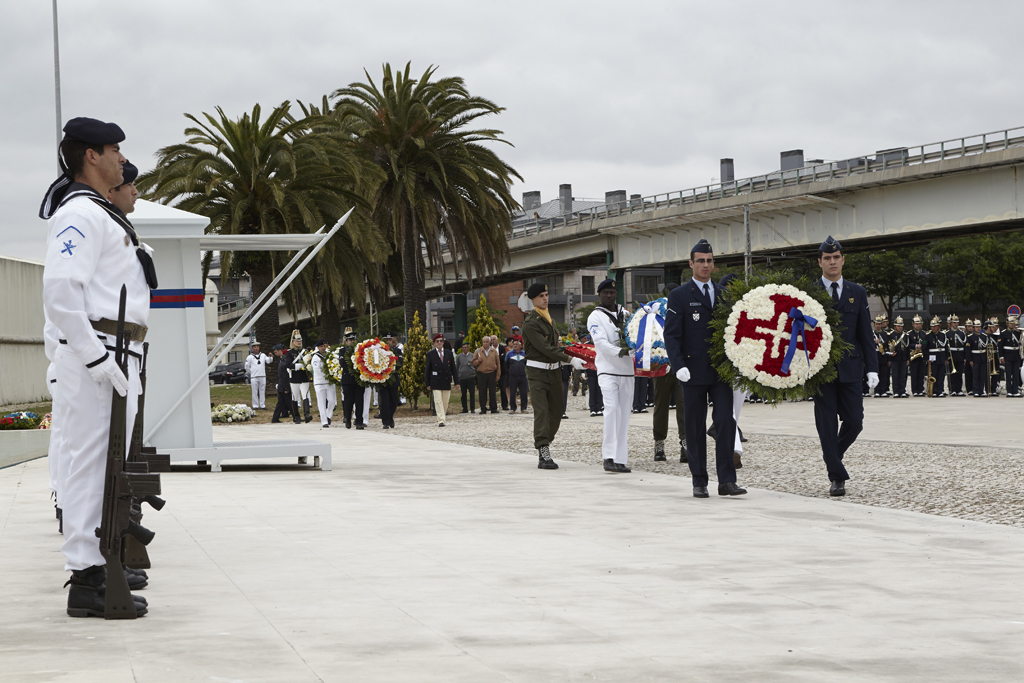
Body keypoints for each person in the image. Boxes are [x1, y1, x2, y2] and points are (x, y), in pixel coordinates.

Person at [40, 117, 154, 617]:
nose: (121, 160)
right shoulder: (81, 214)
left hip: (117, 352)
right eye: (114, 150)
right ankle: (86, 578)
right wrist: (96, 357)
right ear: (91, 156)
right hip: (97, 355)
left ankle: (99, 562)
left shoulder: (103, 214)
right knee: (87, 465)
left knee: (107, 466)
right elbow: (61, 291)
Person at [664, 239, 744, 498]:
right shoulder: (679, 296)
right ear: (691, 264)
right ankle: (699, 480)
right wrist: (678, 366)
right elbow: (672, 335)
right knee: (695, 426)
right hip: (693, 370)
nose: (705, 265)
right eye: (700, 261)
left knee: (724, 421)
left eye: (709, 261)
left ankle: (727, 481)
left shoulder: (724, 295)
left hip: (720, 371)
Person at [812, 236, 878, 496]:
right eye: (827, 258)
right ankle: (836, 476)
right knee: (826, 424)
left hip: (850, 368)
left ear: (843, 260)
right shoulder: (809, 292)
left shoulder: (857, 292)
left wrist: (872, 368)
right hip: (821, 370)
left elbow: (864, 333)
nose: (832, 262)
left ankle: (832, 455)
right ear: (820, 262)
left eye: (836, 257)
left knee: (855, 421)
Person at [522, 282, 586, 469]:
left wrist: (577, 352)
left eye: (546, 294)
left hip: (554, 372)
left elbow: (555, 346)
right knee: (541, 412)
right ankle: (543, 450)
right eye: (541, 296)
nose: (545, 298)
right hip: (537, 373)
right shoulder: (530, 323)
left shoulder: (549, 319)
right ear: (532, 300)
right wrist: (570, 359)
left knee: (558, 411)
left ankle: (546, 442)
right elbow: (545, 348)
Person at [587, 279, 634, 473]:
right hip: (607, 370)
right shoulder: (595, 317)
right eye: (605, 292)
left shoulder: (627, 314)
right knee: (611, 410)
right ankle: (608, 456)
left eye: (612, 293)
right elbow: (600, 343)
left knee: (624, 414)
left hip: (627, 371)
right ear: (599, 294)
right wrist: (620, 352)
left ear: (616, 294)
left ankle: (620, 458)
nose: (609, 296)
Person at [652, 284, 686, 463]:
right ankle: (659, 443)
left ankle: (685, 444)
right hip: (661, 368)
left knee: (684, 406)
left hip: (681, 367)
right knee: (660, 406)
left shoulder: (684, 310)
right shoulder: (655, 315)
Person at [425, 333, 457, 426]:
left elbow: (453, 369)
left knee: (445, 402)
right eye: (437, 341)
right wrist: (427, 383)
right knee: (438, 401)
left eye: (441, 341)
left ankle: (442, 416)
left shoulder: (449, 353)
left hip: (446, 380)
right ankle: (441, 420)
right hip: (435, 381)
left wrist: (456, 382)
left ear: (443, 342)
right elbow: (427, 369)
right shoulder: (430, 354)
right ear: (434, 343)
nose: (439, 343)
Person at [285, 330, 312, 423]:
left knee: (305, 395)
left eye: (300, 340)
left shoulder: (305, 352)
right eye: (297, 341)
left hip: (304, 377)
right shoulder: (289, 353)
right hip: (295, 378)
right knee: (295, 397)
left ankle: (307, 414)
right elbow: (288, 364)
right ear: (293, 342)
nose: (299, 342)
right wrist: (298, 366)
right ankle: (296, 416)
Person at [339, 330, 365, 429]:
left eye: (353, 339)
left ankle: (359, 421)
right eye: (349, 340)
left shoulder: (361, 350)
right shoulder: (343, 351)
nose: (351, 342)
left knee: (359, 401)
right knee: (348, 401)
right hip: (347, 380)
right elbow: (343, 364)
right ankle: (348, 419)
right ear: (346, 341)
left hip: (358, 380)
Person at [378, 333, 402, 429]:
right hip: (383, 379)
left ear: (392, 340)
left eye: (389, 339)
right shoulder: (379, 351)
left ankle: (390, 417)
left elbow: (400, 364)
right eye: (386, 339)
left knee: (394, 401)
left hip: (393, 378)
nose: (388, 341)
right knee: (384, 401)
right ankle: (386, 422)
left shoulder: (397, 350)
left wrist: (391, 367)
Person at [310, 339, 336, 427]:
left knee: (332, 401)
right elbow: (317, 370)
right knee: (321, 402)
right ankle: (324, 421)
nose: (323, 348)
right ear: (318, 347)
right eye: (321, 346)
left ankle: (328, 415)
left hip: (329, 382)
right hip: (319, 382)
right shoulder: (315, 357)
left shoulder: (329, 355)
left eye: (324, 346)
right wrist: (328, 373)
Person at [472, 335, 500, 414]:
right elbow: (473, 362)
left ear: (490, 342)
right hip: (482, 374)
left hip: (492, 373)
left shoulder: (494, 351)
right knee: (482, 392)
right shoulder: (478, 351)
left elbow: (498, 363)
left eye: (487, 342)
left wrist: (498, 374)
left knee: (492, 391)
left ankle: (493, 408)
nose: (485, 343)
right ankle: (483, 408)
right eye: (484, 342)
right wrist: (478, 361)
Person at [244, 341, 272, 409]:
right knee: (254, 391)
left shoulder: (263, 355)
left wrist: (270, 357)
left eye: (257, 347)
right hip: (254, 377)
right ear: (252, 348)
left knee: (262, 391)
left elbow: (268, 361)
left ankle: (262, 405)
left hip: (262, 376)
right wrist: (252, 372)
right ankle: (255, 405)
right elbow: (246, 367)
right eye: (255, 347)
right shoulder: (250, 357)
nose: (256, 348)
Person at [925, 316, 948, 397]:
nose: (933, 328)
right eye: (932, 326)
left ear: (938, 326)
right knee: (933, 375)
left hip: (941, 357)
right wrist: (927, 358)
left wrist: (946, 358)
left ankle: (940, 390)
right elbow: (924, 348)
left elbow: (945, 348)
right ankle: (934, 391)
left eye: (935, 326)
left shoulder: (943, 335)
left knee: (941, 376)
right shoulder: (927, 336)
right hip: (932, 358)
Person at [1000, 315, 1022, 397]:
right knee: (1008, 374)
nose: (1012, 325)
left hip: (1016, 355)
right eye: (1010, 323)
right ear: (1007, 324)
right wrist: (1001, 357)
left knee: (1016, 374)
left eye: (1013, 323)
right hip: (1007, 355)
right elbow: (1000, 346)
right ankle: (1009, 391)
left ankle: (1015, 390)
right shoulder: (1003, 333)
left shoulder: (1017, 333)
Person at [270, 344, 293, 423]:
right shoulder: (283, 361)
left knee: (281, 403)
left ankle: (275, 418)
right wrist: (286, 387)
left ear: (280, 351)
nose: (275, 354)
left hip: (281, 386)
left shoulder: (283, 360)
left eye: (276, 352)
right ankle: (296, 417)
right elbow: (284, 376)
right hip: (283, 386)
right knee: (289, 403)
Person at [946, 314, 967, 396]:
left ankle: (959, 389)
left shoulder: (961, 333)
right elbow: (946, 347)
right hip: (952, 355)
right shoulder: (947, 334)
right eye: (954, 322)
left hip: (960, 354)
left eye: (957, 322)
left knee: (960, 373)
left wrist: (965, 357)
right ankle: (953, 389)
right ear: (950, 323)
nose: (955, 324)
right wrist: (947, 357)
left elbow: (964, 346)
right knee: (952, 373)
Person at [505, 339, 529, 412]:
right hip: (513, 376)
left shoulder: (524, 354)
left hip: (523, 376)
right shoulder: (509, 354)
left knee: (524, 392)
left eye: (516, 344)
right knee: (512, 392)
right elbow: (506, 365)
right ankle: (513, 408)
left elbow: (527, 364)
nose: (515, 345)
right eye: (514, 344)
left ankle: (523, 408)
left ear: (520, 345)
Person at [889, 317, 909, 398]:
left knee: (903, 376)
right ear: (895, 326)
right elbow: (887, 347)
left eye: (901, 326)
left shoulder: (905, 335)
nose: (900, 327)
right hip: (894, 359)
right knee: (895, 375)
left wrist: (908, 359)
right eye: (898, 326)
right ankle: (896, 391)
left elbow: (907, 348)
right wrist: (890, 354)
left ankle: (902, 391)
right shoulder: (891, 335)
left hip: (903, 358)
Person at [908, 315, 927, 396]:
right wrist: (915, 346)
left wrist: (923, 345)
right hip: (914, 357)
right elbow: (908, 345)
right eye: (916, 324)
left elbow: (926, 342)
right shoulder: (909, 334)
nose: (918, 325)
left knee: (921, 374)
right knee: (914, 374)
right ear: (913, 324)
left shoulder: (924, 334)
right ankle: (915, 390)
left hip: (921, 357)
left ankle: (921, 389)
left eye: (919, 324)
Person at [456, 341, 477, 413]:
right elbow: (457, 366)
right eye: (462, 348)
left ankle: (472, 408)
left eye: (465, 347)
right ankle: (465, 408)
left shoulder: (472, 355)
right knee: (463, 394)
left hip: (470, 377)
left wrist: (474, 372)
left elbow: (475, 365)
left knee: (472, 393)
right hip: (462, 377)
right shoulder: (459, 356)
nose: (464, 349)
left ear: (468, 348)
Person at [495, 335, 510, 410]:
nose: (493, 341)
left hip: (502, 371)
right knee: (492, 389)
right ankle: (493, 405)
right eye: (491, 339)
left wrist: (496, 357)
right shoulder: (490, 349)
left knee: (503, 388)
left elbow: (502, 358)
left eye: (494, 339)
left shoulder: (502, 348)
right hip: (493, 371)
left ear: (497, 340)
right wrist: (499, 356)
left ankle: (504, 405)